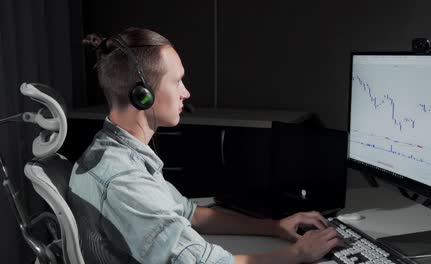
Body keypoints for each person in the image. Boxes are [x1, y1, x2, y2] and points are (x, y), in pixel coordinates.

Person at [68, 27, 343, 264]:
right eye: (177, 81)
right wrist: (298, 254)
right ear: (143, 95)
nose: (186, 93)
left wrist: (273, 227)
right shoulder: (124, 180)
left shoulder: (113, 151)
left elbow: (190, 213)